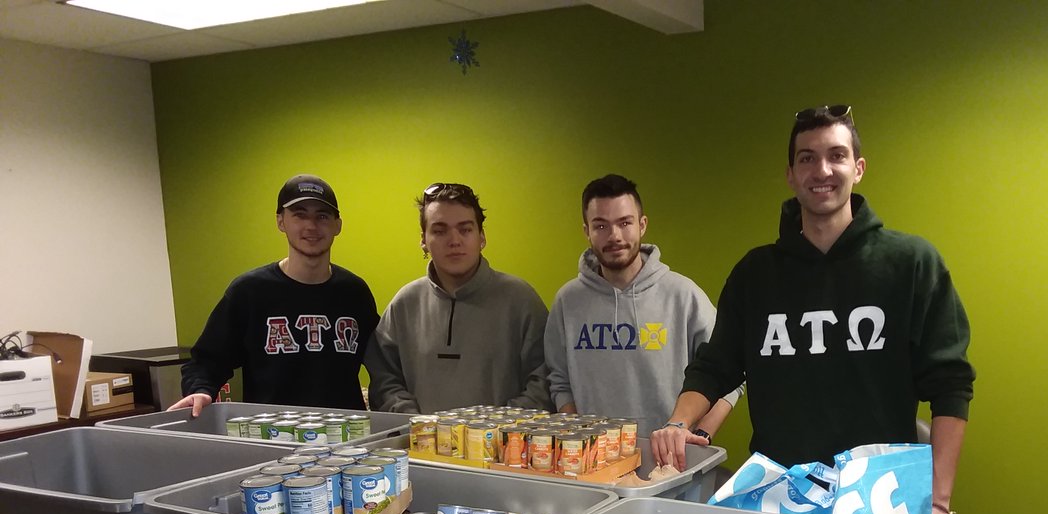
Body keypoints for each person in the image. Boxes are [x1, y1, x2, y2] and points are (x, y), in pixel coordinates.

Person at [651, 105, 975, 514]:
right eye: (807, 158)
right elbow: (715, 367)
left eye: (836, 155)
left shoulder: (911, 264)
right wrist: (677, 423)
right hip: (779, 496)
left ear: (858, 168)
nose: (822, 169)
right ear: (790, 174)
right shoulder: (755, 274)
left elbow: (950, 385)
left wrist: (937, 501)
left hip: (878, 498)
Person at [543, 174, 742, 439]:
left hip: (672, 466)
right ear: (586, 231)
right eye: (600, 226)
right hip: (593, 468)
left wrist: (700, 435)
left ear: (642, 225)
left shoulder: (683, 296)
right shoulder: (567, 302)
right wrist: (577, 440)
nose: (614, 236)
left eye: (625, 223)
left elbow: (731, 375)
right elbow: (559, 381)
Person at [172, 174, 378, 415]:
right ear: (281, 221)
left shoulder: (354, 293)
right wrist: (200, 390)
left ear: (337, 225)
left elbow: (386, 362)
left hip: (345, 437)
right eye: (299, 215)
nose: (311, 226)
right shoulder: (250, 291)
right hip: (269, 435)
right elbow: (206, 361)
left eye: (322, 216)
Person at [365, 182, 551, 413]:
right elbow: (384, 380)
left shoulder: (522, 301)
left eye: (465, 229)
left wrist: (495, 428)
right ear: (423, 240)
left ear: (482, 237)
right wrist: (415, 424)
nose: (454, 241)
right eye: (440, 230)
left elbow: (544, 383)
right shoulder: (404, 304)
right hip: (419, 445)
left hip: (500, 446)